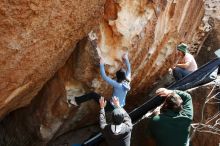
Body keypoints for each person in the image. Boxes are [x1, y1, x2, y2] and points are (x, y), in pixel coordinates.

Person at [68, 32, 131, 111]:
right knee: (95, 96)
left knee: (92, 95)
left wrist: (101, 64)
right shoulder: (127, 81)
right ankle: (76, 101)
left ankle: (76, 101)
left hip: (110, 107)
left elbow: (104, 76)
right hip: (119, 106)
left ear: (117, 77)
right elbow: (129, 69)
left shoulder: (117, 85)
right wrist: (126, 59)